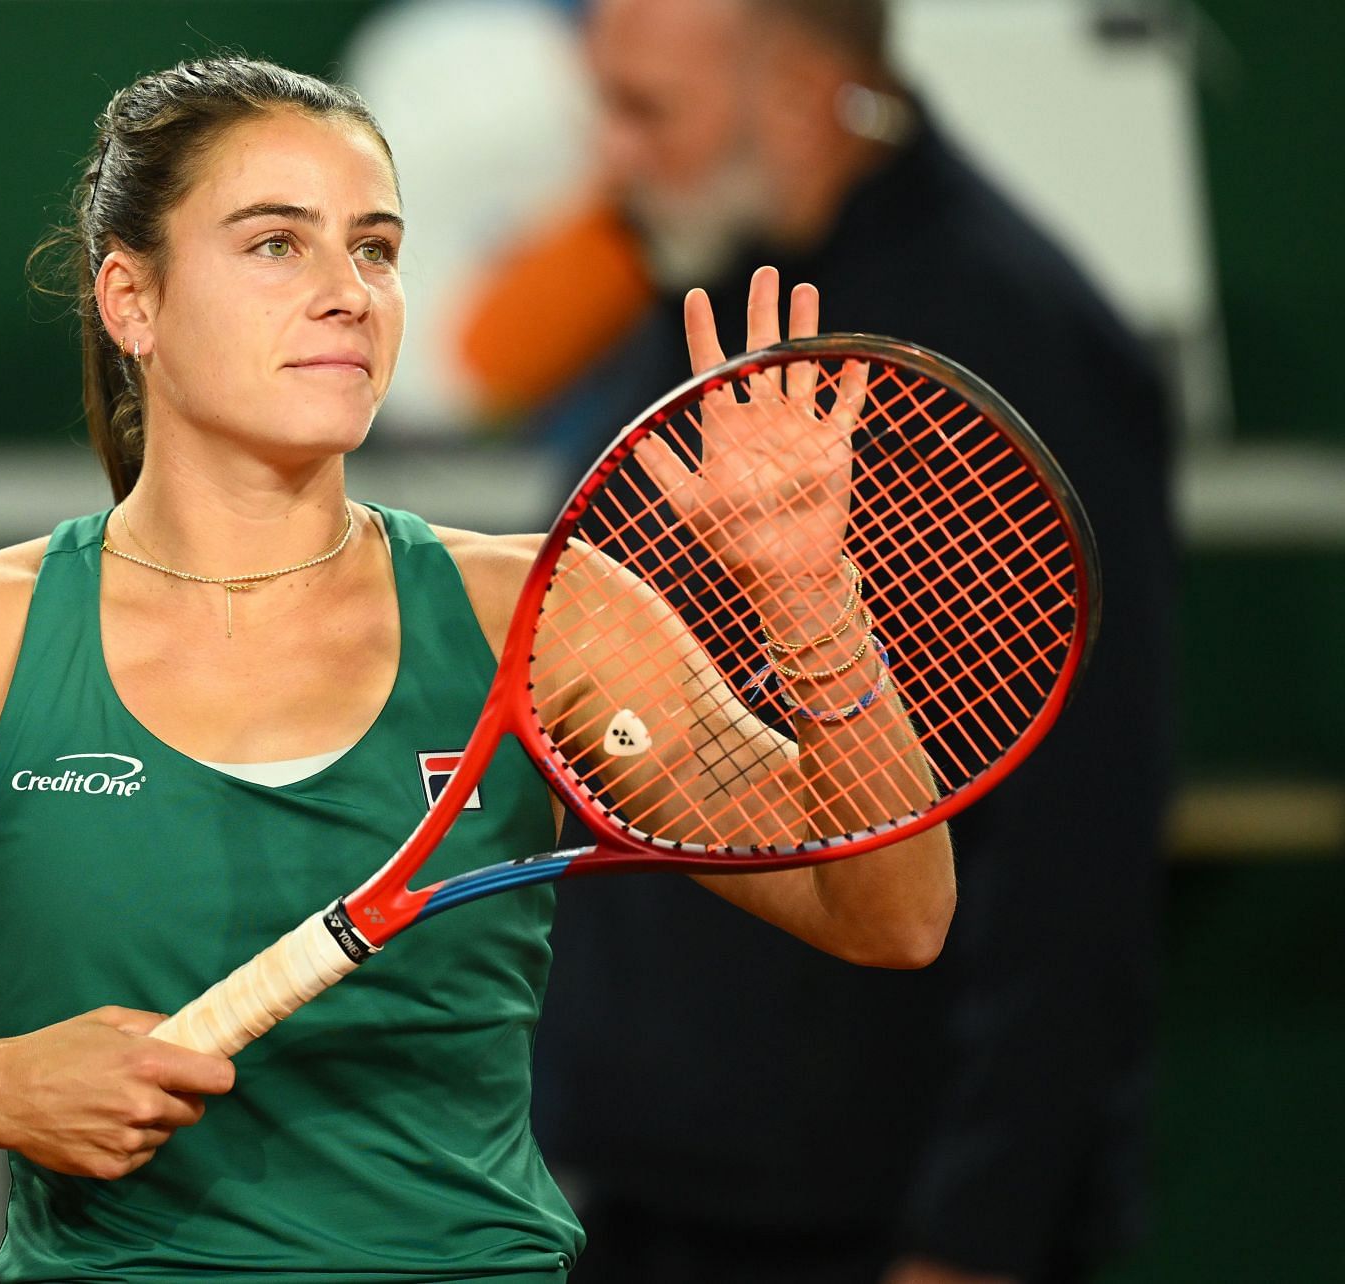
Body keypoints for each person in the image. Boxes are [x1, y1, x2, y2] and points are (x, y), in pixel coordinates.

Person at [0, 56, 957, 1282]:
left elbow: (890, 913)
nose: (347, 289)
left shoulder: (545, 615)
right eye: (276, 242)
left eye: (377, 247)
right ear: (133, 301)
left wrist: (809, 599)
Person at [495, 4, 1174, 1283]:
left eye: (648, 109)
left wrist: (977, 1234)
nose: (612, 157)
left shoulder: (1019, 336)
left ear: (805, 100)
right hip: (646, 1194)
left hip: (873, 1228)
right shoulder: (714, 276)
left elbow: (1083, 845)